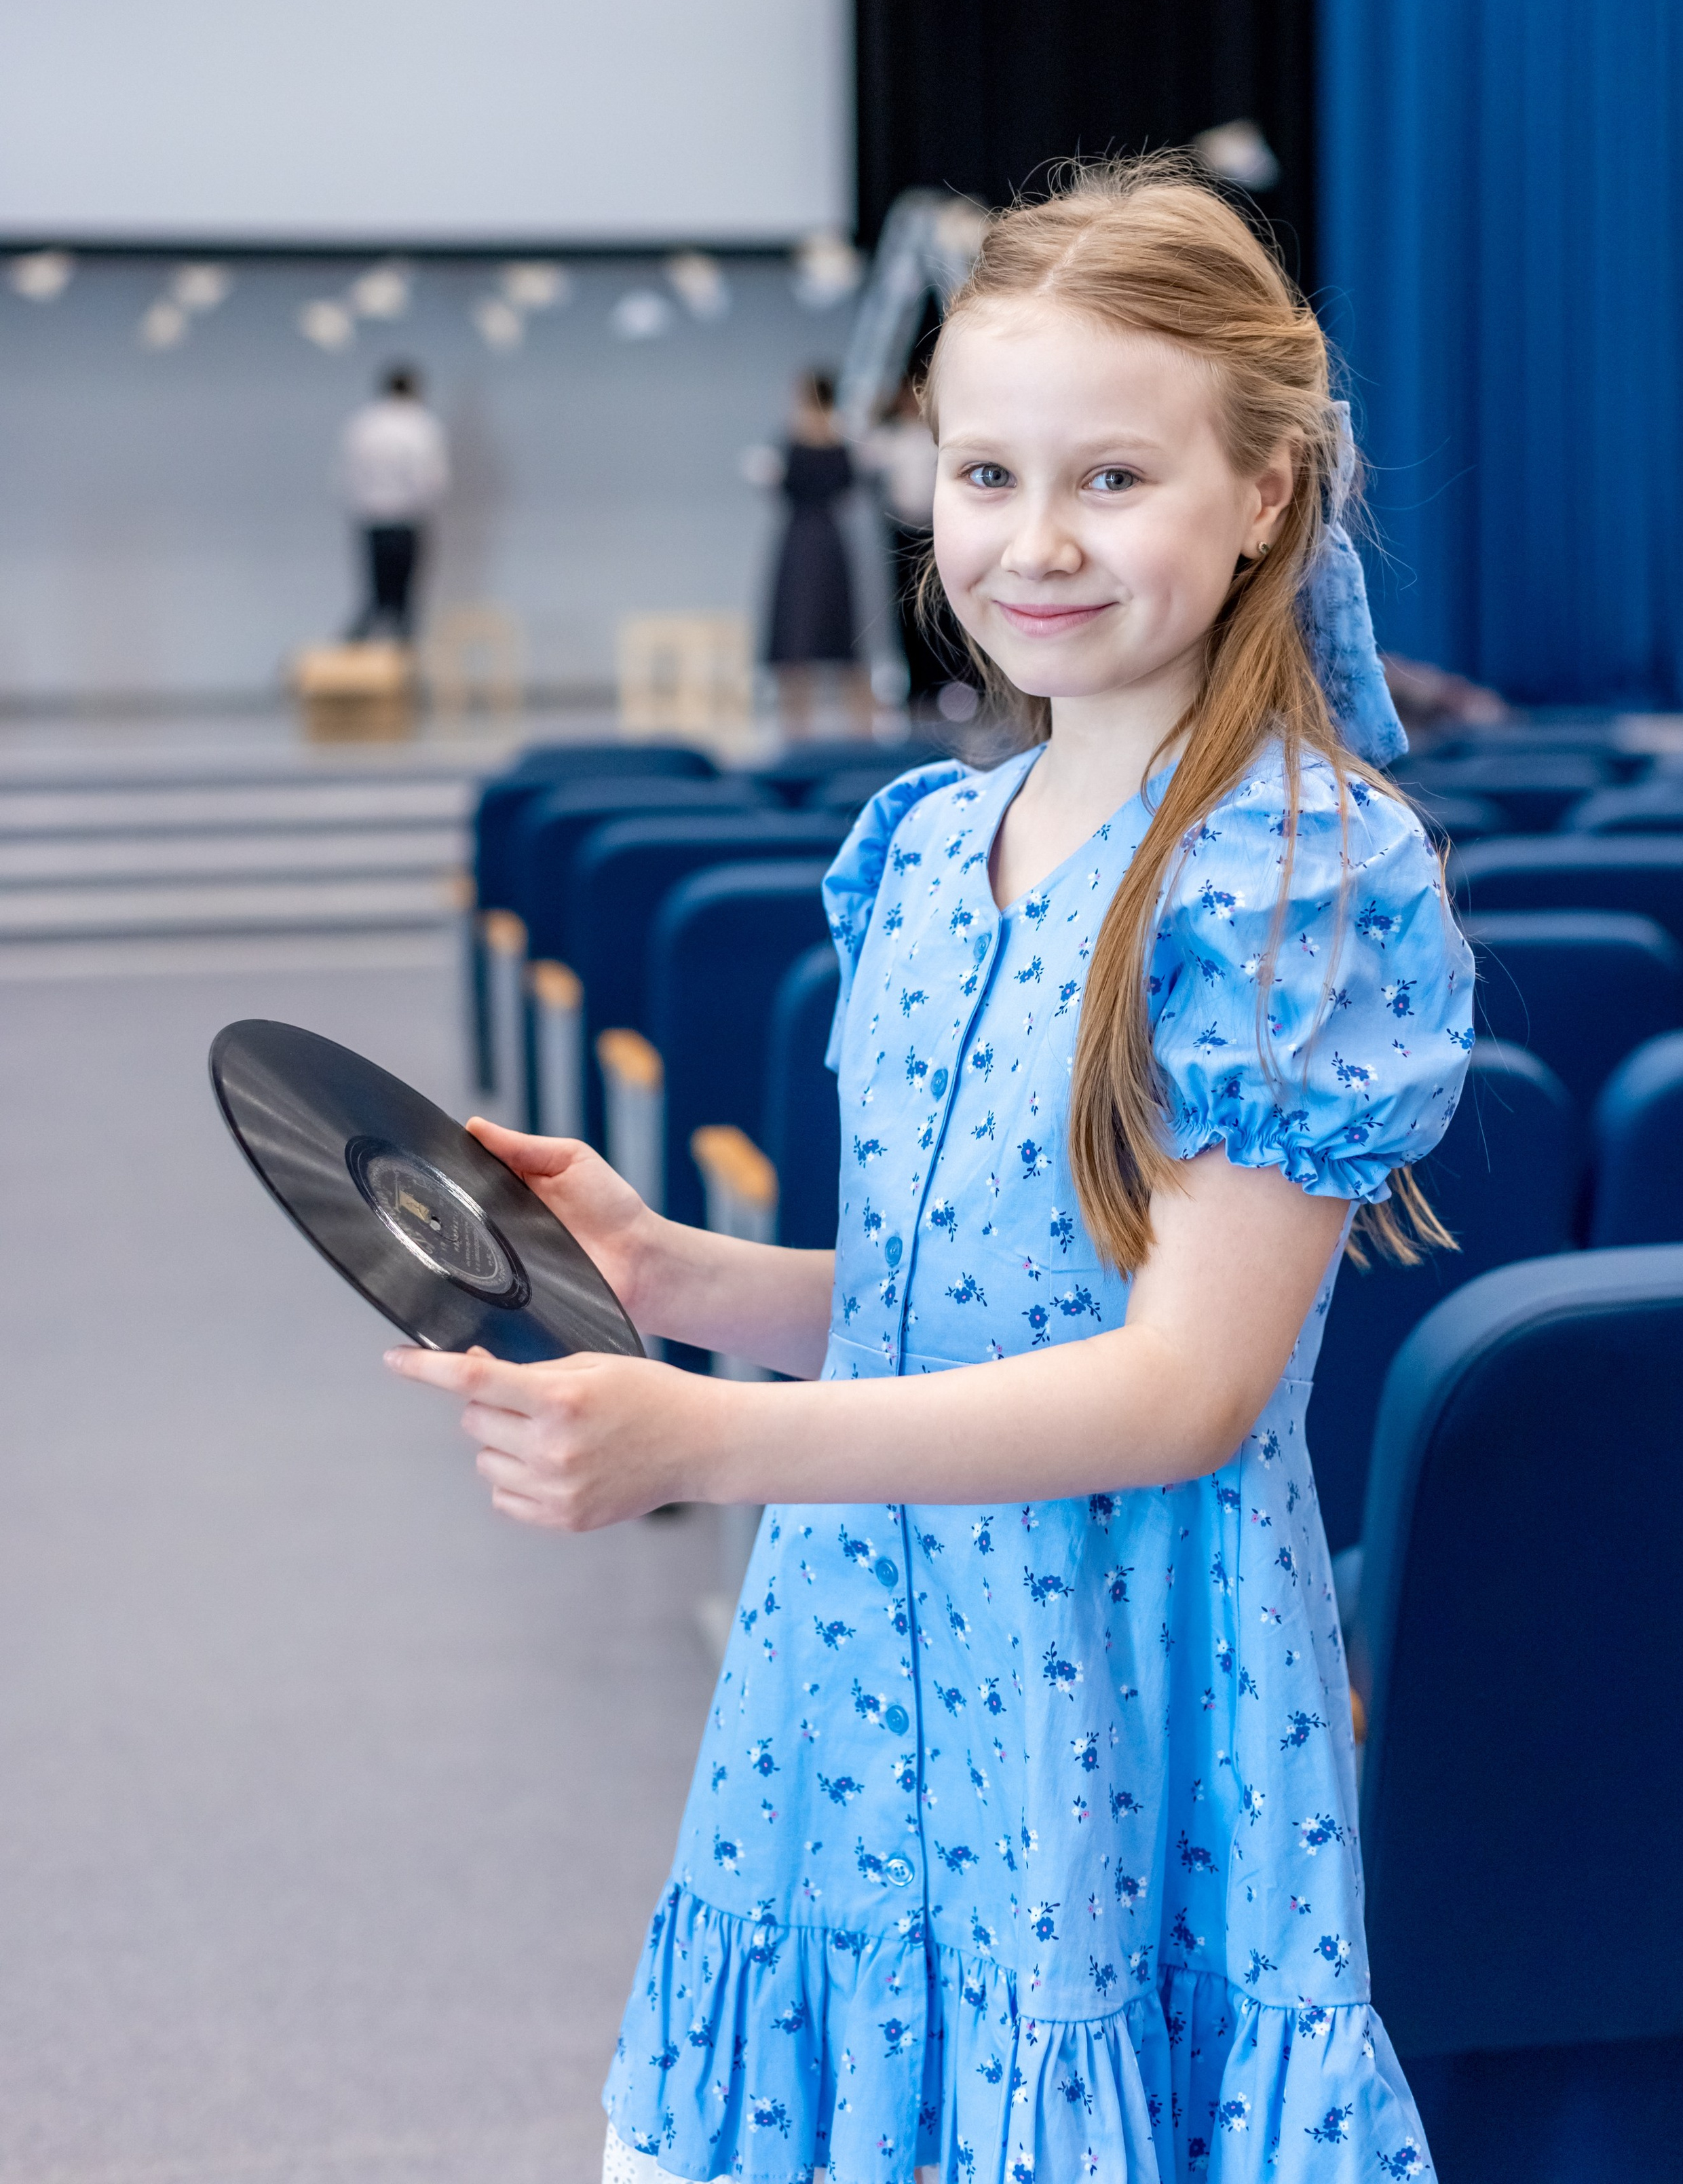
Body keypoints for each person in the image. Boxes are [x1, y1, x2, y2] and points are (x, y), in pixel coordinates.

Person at [389, 157, 1473, 2183]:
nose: (1033, 540)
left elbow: (1178, 1387)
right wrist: (677, 1268)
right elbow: (953, 1283)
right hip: (853, 1659)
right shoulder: (919, 841)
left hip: (1110, 1678)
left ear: (1260, 492)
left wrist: (696, 1444)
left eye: (1110, 478)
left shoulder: (1297, 871)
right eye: (983, 475)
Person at [759, 369, 867, 728]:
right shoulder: (842, 440)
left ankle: (796, 726)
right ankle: (859, 728)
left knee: (798, 636)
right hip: (830, 539)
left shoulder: (794, 440)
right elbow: (849, 488)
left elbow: (786, 488)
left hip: (803, 538)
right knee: (832, 636)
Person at [856, 373, 958, 711]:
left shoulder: (935, 439)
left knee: (940, 608)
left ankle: (948, 680)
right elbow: (861, 454)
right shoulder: (890, 440)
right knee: (907, 609)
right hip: (902, 534)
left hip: (935, 532)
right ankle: (915, 686)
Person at [337, 364, 448, 641]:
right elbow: (432, 480)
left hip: (372, 520)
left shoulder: (363, 424)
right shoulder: (420, 425)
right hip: (407, 521)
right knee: (404, 600)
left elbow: (346, 475)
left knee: (377, 595)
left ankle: (356, 651)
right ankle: (401, 658)